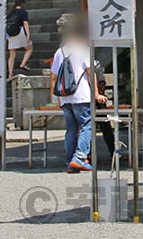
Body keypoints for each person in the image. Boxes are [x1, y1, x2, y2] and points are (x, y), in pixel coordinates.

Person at [50, 20, 105, 173]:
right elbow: (90, 72)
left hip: (65, 97)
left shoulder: (59, 52)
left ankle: (70, 161)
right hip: (81, 96)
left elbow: (53, 76)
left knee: (71, 129)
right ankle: (79, 157)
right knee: (87, 125)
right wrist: (96, 93)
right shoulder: (84, 50)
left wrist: (57, 98)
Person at [6, 0, 32, 77]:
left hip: (10, 34)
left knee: (12, 54)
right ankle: (23, 64)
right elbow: (25, 23)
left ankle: (10, 73)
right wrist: (28, 34)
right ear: (22, 4)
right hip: (20, 32)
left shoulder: (11, 13)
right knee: (29, 48)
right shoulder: (23, 12)